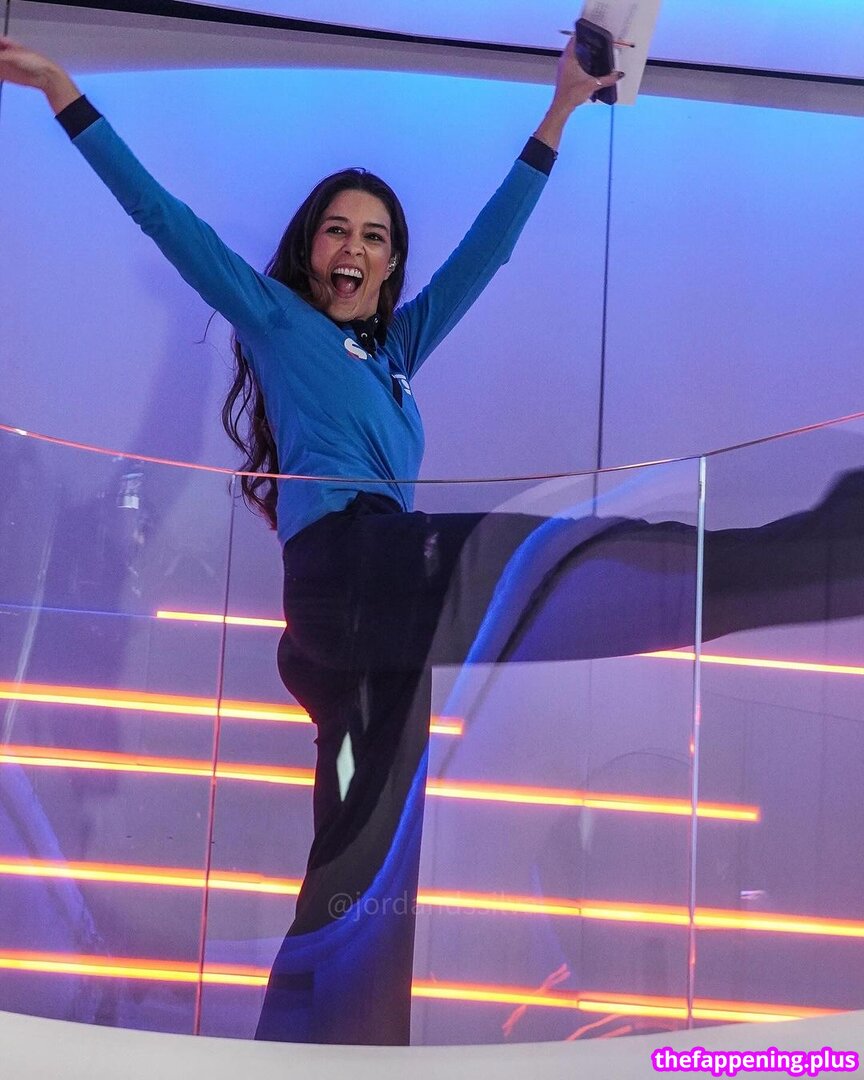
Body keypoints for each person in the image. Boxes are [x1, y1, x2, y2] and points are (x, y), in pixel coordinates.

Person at [2, 33, 863, 1047]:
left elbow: (488, 253)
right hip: (354, 571)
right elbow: (166, 220)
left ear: (390, 262)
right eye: (336, 230)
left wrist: (559, 111)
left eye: (373, 236)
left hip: (369, 624)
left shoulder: (399, 351)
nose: (353, 248)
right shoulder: (278, 322)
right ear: (310, 251)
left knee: (362, 861)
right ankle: (813, 548)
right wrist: (61, 90)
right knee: (549, 563)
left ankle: (311, 1048)